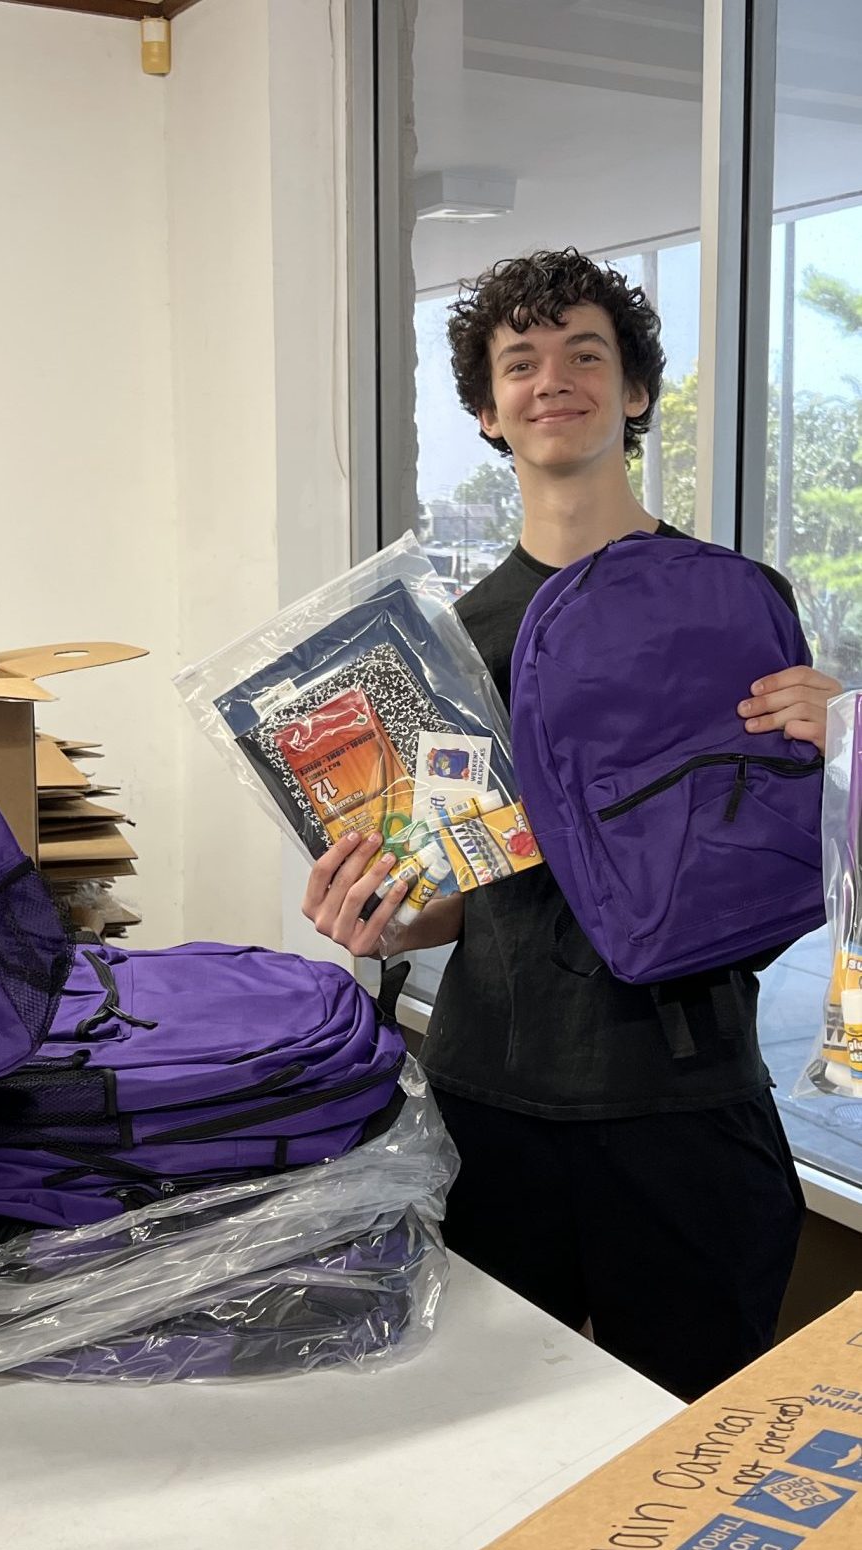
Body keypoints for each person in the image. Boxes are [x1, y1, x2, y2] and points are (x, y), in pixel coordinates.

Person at [303, 248, 837, 1401]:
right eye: (521, 362)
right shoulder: (441, 644)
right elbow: (455, 892)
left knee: (691, 1460)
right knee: (488, 1461)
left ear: (636, 392)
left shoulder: (739, 601)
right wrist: (384, 920)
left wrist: (836, 745)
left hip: (689, 1104)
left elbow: (773, 850)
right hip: (493, 1105)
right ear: (488, 414)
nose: (555, 379)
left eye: (586, 353)